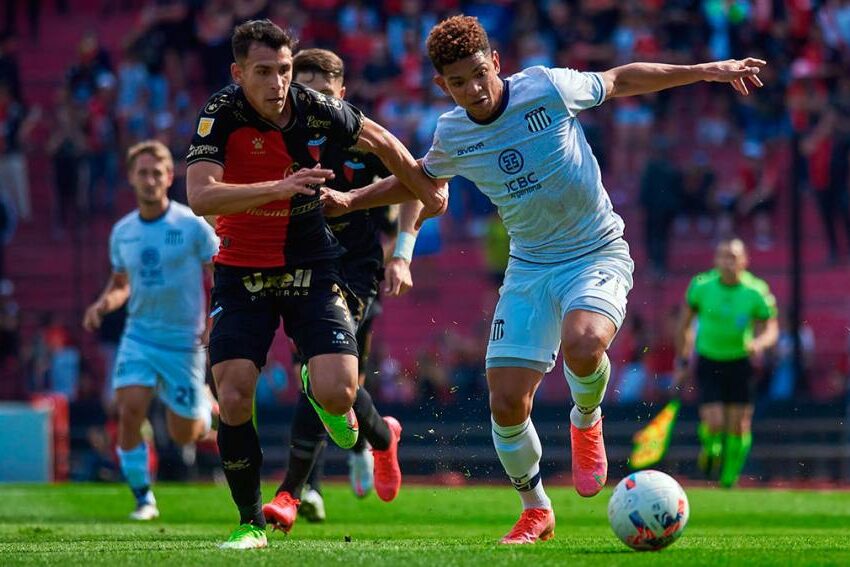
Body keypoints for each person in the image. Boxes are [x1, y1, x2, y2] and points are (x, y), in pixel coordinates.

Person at [321, 14, 767, 544]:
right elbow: (420, 180)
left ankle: (586, 416)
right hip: (530, 266)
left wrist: (707, 70)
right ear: (442, 86)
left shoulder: (546, 87)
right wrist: (352, 199)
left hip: (595, 250)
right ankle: (536, 509)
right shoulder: (453, 133)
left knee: (584, 344)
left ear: (496, 63)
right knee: (506, 401)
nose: (474, 89)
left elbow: (622, 79)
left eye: (479, 73)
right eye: (458, 82)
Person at [185, 19, 444, 549]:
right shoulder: (220, 114)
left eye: (283, 70)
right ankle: (251, 522)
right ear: (239, 73)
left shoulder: (317, 108)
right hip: (242, 270)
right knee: (233, 396)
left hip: (312, 264)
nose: (278, 82)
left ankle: (322, 394)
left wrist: (426, 192)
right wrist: (278, 187)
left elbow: (385, 141)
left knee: (337, 389)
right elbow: (201, 197)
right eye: (264, 72)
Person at [268, 48, 423, 530]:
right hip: (299, 267)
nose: (310, 99)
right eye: (302, 90)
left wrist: (402, 255)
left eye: (320, 91)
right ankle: (380, 438)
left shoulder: (365, 137)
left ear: (341, 92)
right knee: (330, 382)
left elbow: (419, 183)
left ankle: (293, 491)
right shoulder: (282, 133)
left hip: (355, 271)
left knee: (321, 376)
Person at [82, 140, 218, 521]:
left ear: (169, 177)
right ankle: (143, 498)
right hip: (139, 337)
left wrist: (214, 321)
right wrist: (102, 304)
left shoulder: (192, 225)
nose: (149, 179)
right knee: (128, 410)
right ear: (131, 178)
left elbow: (219, 271)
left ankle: (203, 409)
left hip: (184, 345)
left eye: (156, 172)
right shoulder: (122, 232)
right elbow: (121, 282)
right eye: (142, 172)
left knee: (183, 434)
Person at [675, 238, 778, 488]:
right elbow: (685, 324)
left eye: (733, 257)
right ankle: (710, 452)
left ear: (744, 261)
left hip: (740, 363)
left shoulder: (755, 291)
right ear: (716, 260)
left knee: (738, 426)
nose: (727, 262)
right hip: (709, 360)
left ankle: (728, 479)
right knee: (714, 422)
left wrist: (760, 343)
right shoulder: (701, 286)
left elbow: (771, 328)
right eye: (723, 256)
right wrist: (683, 359)